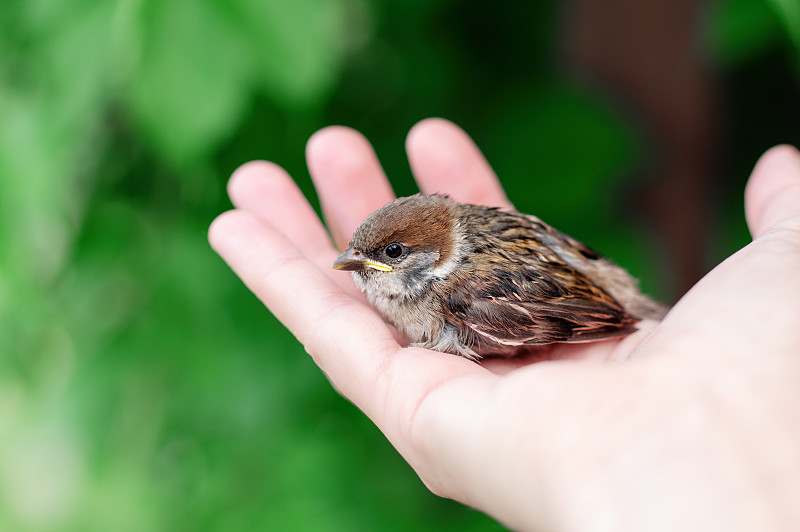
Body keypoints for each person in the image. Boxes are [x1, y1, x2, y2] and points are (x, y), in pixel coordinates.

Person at [209, 118, 800, 531]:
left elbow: (561, 304)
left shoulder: (465, 291)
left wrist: (628, 324)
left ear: (431, 257)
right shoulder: (458, 234)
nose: (359, 266)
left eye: (387, 257)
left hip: (586, 301)